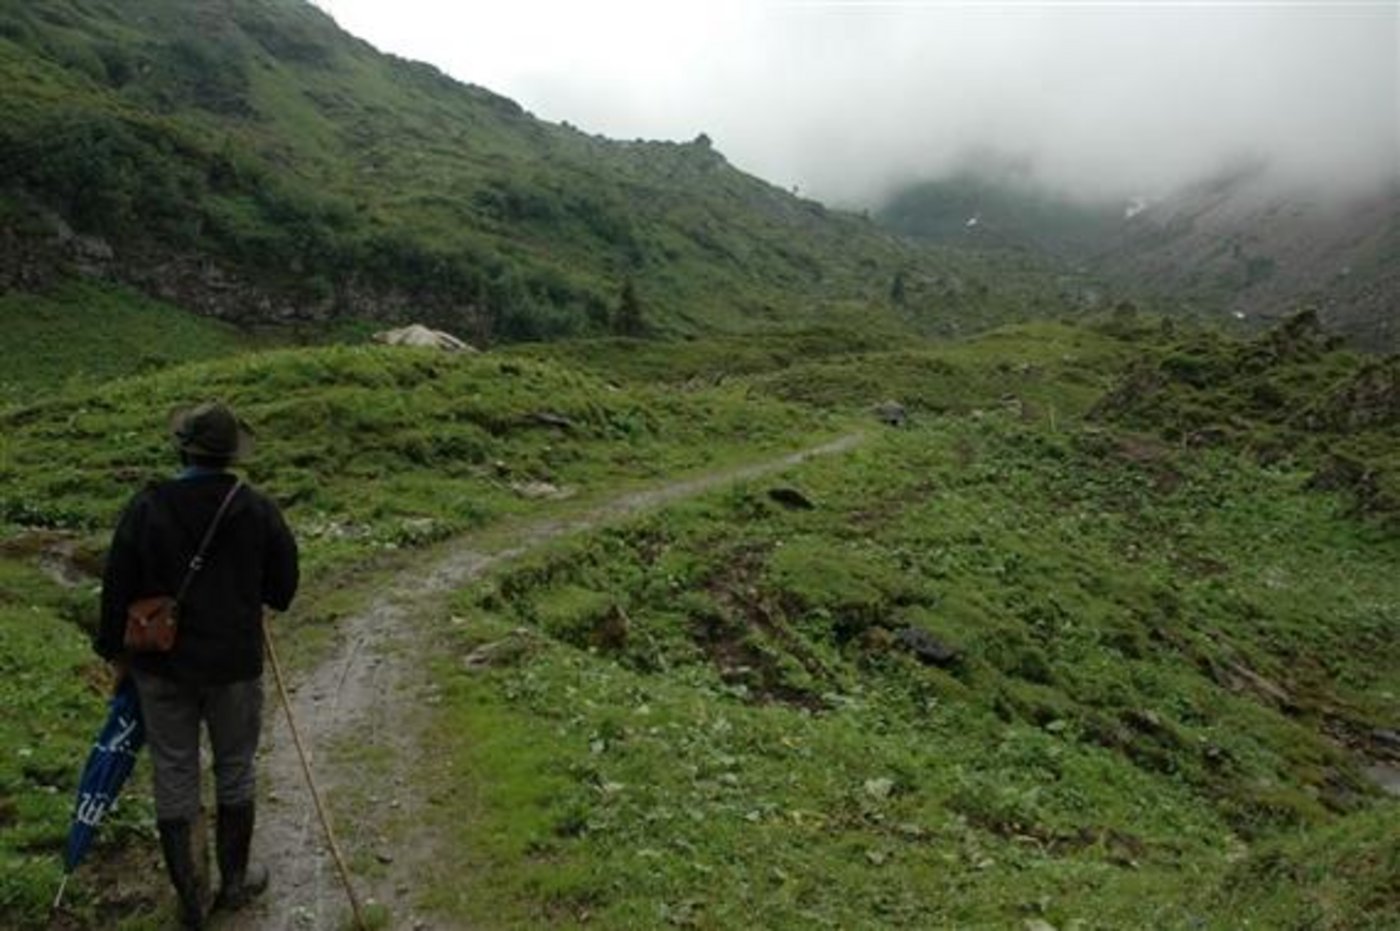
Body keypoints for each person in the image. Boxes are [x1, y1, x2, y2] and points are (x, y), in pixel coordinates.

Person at [95, 401, 299, 929]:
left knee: (174, 769)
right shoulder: (256, 508)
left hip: (161, 669)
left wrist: (117, 659)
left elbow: (116, 590)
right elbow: (283, 590)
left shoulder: (147, 507)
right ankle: (233, 884)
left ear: (183, 447)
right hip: (233, 664)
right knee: (235, 765)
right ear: (231, 455)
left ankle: (192, 899)